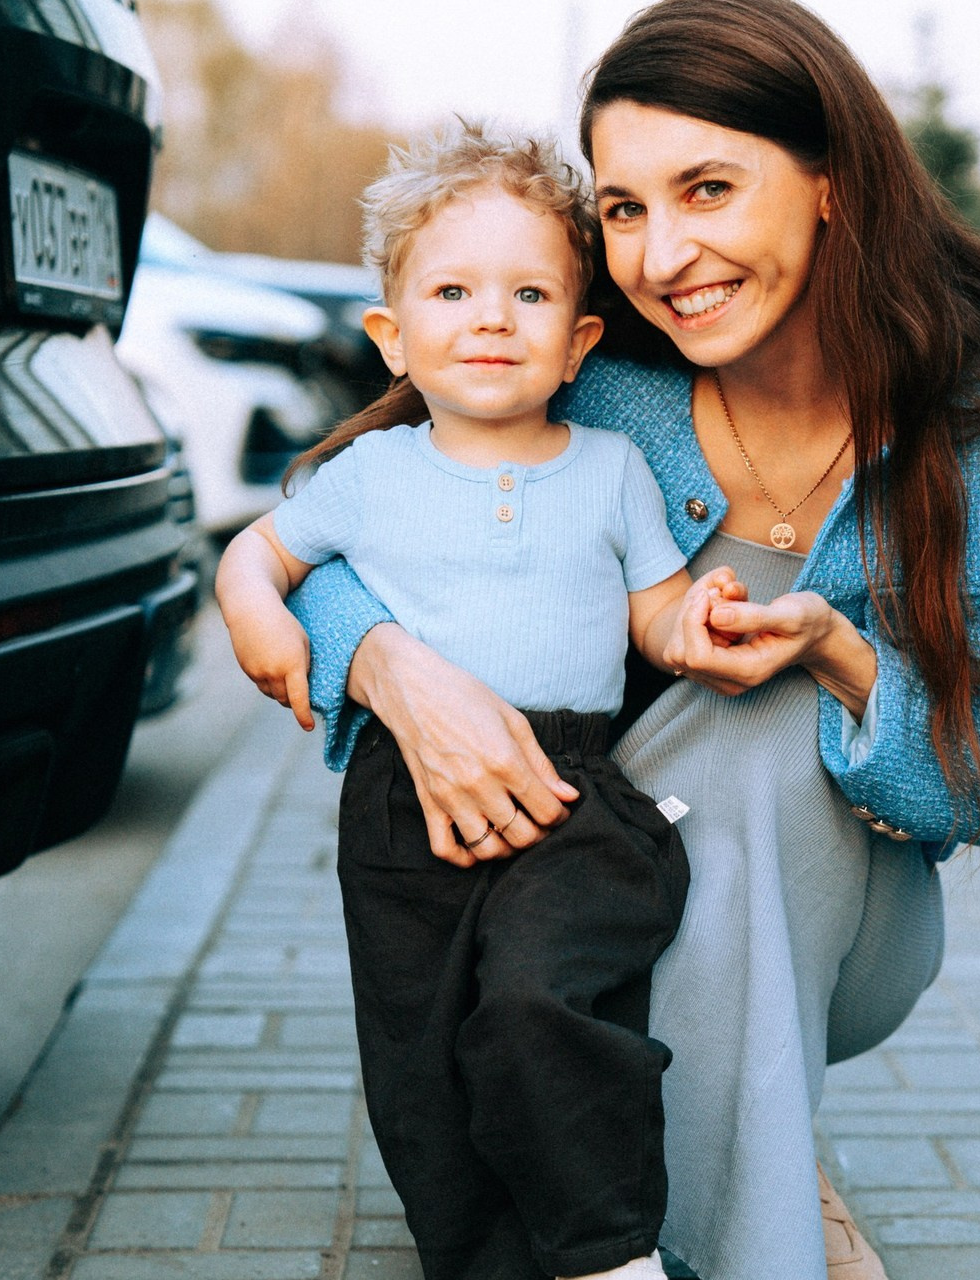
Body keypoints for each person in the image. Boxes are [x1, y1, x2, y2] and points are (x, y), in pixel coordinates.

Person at [269, 3, 980, 1278]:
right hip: (541, 907)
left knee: (757, 713)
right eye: (622, 208)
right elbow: (331, 523)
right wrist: (397, 669)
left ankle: (711, 1193)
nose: (662, 255)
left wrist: (839, 657)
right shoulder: (591, 380)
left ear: (830, 182)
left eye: (707, 188)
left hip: (835, 928)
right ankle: (737, 1180)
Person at [217, 121, 747, 1280]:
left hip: (572, 795)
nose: (491, 318)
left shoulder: (609, 467)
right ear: (392, 336)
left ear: (578, 340)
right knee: (420, 1061)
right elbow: (258, 551)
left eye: (529, 293)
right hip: (399, 806)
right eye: (452, 291)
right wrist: (254, 607)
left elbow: (653, 613)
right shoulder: (367, 475)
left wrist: (696, 623)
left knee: (537, 1005)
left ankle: (608, 1251)